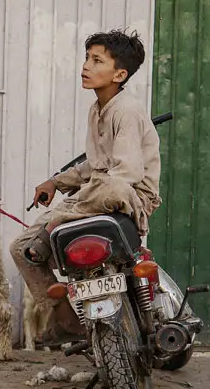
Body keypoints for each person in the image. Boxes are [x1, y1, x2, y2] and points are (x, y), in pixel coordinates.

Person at [10, 29, 161, 346]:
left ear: (119, 74)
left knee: (110, 188)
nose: (86, 66)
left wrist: (69, 206)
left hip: (128, 195)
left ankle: (54, 225)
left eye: (97, 60)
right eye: (86, 58)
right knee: (21, 249)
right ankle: (66, 319)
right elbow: (95, 164)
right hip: (96, 196)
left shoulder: (126, 110)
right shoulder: (97, 111)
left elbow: (127, 174)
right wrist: (56, 182)